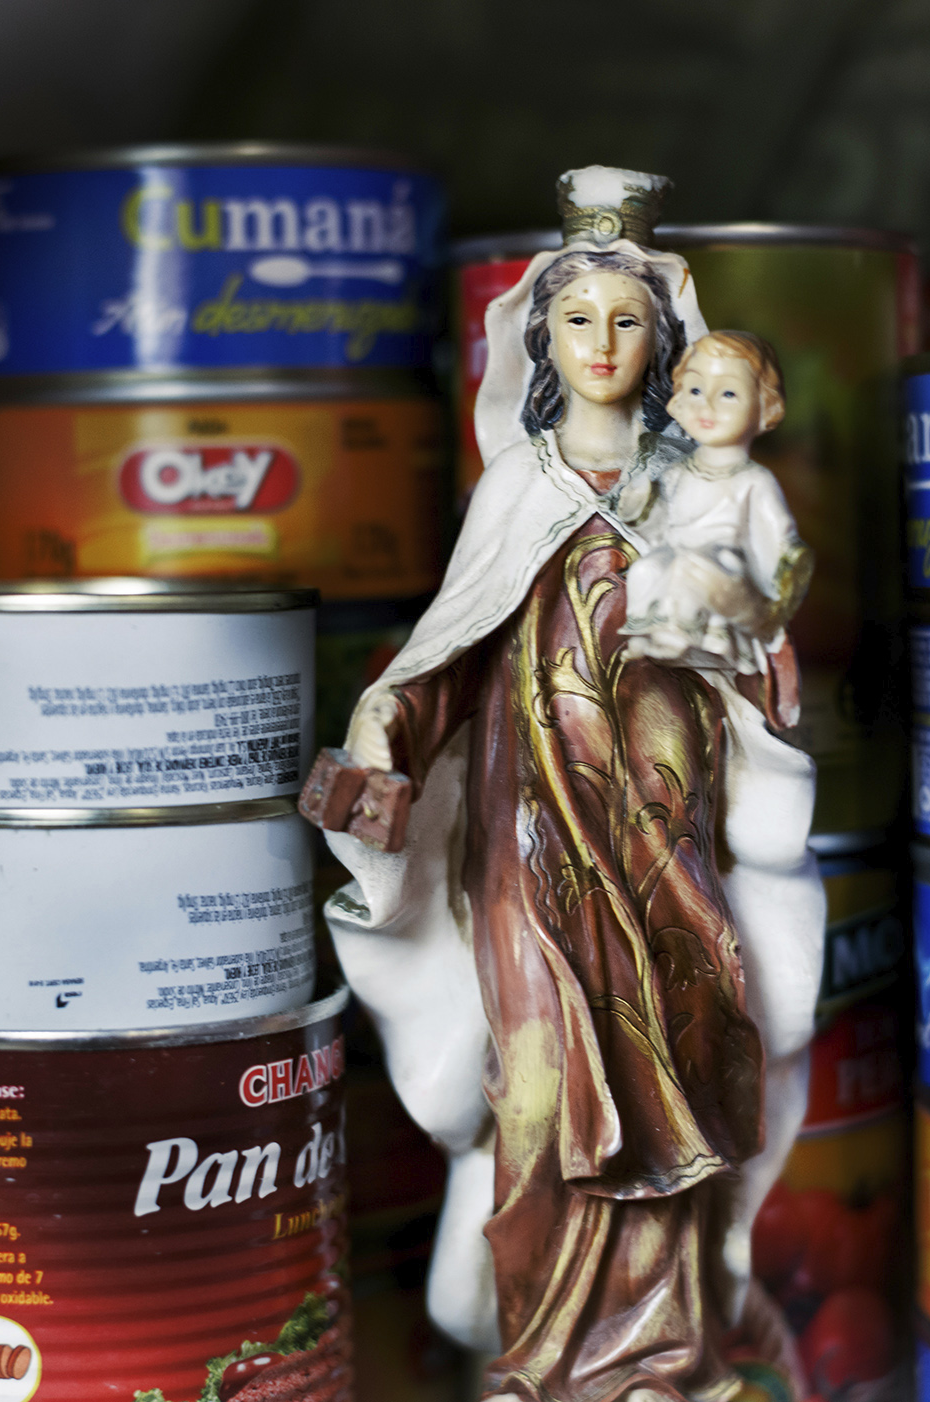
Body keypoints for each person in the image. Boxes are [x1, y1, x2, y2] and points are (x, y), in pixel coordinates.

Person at [309, 168, 822, 1402]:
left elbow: (764, 648)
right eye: (579, 319)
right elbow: (449, 649)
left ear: (666, 342)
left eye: (628, 320)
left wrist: (747, 633)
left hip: (665, 833)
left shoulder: (696, 489)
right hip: (529, 838)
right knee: (542, 1088)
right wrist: (388, 720)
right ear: (541, 336)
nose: (603, 343)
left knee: (679, 1076)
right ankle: (545, 1359)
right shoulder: (517, 490)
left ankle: (660, 1358)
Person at [619, 330, 812, 677]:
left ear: (763, 406)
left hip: (723, 560)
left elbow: (780, 542)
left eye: (727, 393)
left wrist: (776, 587)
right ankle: (647, 633)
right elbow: (660, 526)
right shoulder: (678, 472)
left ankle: (691, 636)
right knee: (646, 569)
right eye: (695, 389)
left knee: (690, 569)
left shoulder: (753, 480)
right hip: (677, 551)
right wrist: (643, 504)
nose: (705, 404)